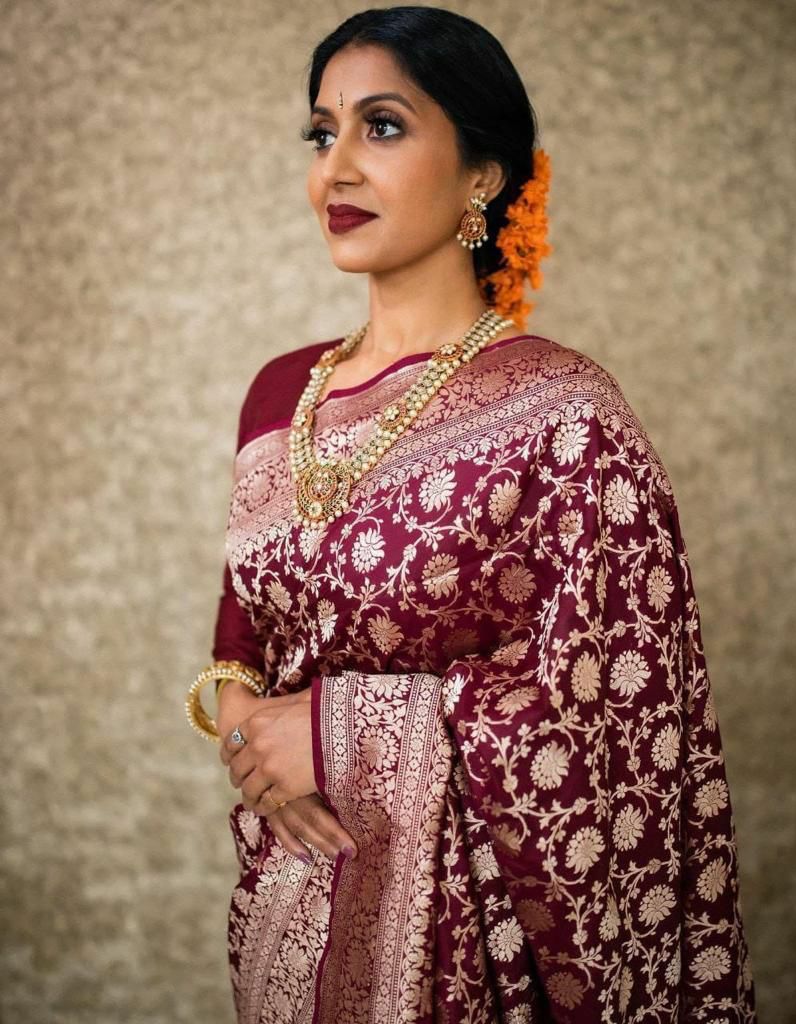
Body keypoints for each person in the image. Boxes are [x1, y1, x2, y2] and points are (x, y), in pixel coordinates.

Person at [184, 7, 756, 1022]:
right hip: (291, 916)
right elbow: (243, 634)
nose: (335, 169)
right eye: (321, 133)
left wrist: (343, 735)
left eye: (382, 126)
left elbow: (618, 722)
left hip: (479, 960)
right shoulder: (277, 396)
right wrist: (242, 727)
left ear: (482, 175)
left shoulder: (565, 414)